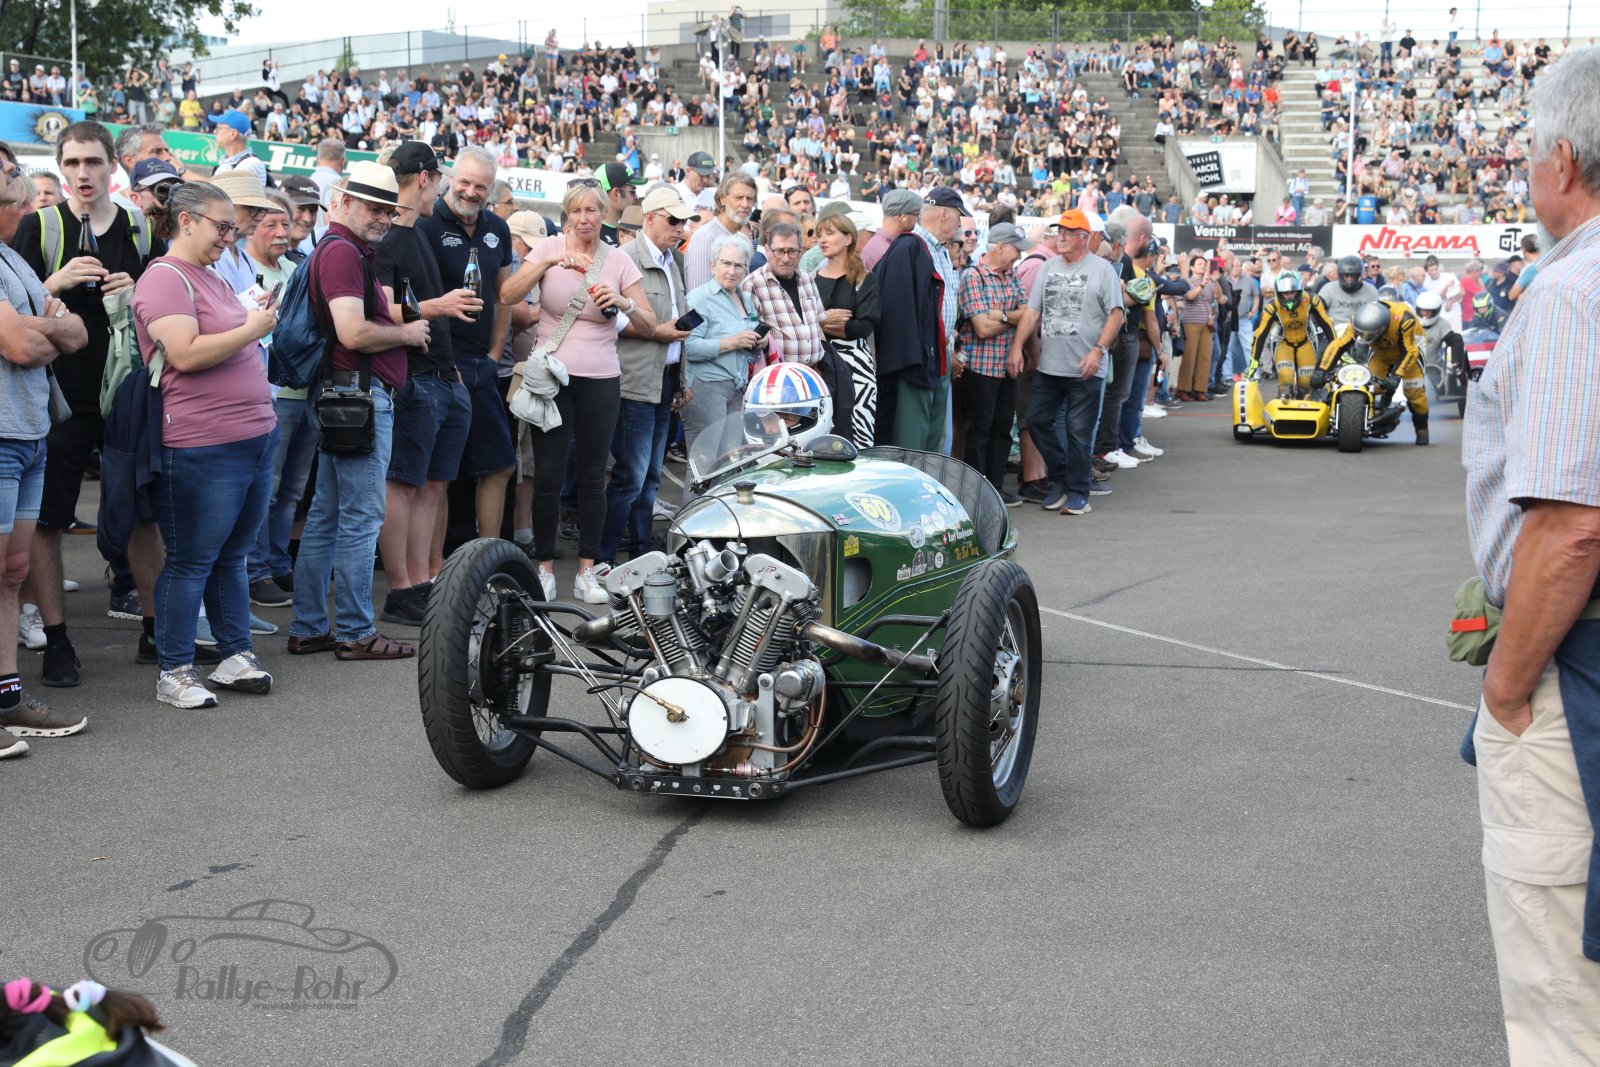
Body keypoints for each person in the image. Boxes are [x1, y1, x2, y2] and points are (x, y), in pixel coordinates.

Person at [1462, 46, 1600, 1061]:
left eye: (1527, 156)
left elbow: (1572, 525)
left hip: (1574, 662)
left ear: (1563, 161)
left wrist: (1506, 687)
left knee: (1562, 993)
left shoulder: (1571, 293)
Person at [15, 121, 164, 688]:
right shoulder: (39, 226)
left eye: (93, 162)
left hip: (126, 391)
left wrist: (137, 291)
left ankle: (155, 630)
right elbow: (13, 309)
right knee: (48, 519)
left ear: (112, 166)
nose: (83, 173)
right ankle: (57, 640)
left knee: (143, 514)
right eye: (73, 163)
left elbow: (167, 302)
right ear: (60, 166)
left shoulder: (137, 226)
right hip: (60, 397)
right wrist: (54, 283)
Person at [132, 181, 279, 708]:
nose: (229, 237)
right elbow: (186, 354)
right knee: (192, 559)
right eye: (222, 226)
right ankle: (174, 670)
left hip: (251, 435)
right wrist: (252, 327)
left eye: (232, 228)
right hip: (201, 442)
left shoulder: (209, 275)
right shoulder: (164, 278)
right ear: (186, 220)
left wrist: (248, 318)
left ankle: (235, 654)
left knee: (232, 556)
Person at [286, 161, 430, 661]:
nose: (384, 218)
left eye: (389, 210)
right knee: (360, 517)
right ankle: (354, 630)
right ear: (344, 202)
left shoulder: (343, 248)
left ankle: (311, 626)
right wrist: (407, 332)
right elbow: (352, 332)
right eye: (375, 207)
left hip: (348, 394)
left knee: (329, 516)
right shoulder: (343, 251)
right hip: (356, 396)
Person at [499, 181, 657, 604]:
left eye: (591, 211)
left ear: (604, 213)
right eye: (576, 211)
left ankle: (588, 570)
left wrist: (622, 302)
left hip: (601, 378)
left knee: (592, 476)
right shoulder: (548, 247)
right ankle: (544, 568)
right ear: (567, 214)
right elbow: (507, 295)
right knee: (548, 475)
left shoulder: (618, 259)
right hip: (552, 378)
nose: (584, 219)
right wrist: (548, 261)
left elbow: (649, 323)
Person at [0, 170, 89, 745]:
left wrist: (35, 325)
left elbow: (77, 334)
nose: (27, 205)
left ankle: (6, 696)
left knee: (12, 573)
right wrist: (44, 325)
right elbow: (20, 346)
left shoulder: (13, 259)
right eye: (15, 193)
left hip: (31, 434)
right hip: (3, 435)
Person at [371, 141, 475, 626]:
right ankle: (401, 588)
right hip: (413, 378)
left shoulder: (418, 234)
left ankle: (420, 582)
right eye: (441, 180)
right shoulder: (388, 239)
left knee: (432, 486)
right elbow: (380, 309)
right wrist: (439, 306)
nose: (444, 190)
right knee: (405, 486)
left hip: (444, 376)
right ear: (423, 179)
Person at [415, 146, 516, 547]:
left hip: (482, 365)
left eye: (481, 187)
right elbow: (413, 299)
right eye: (465, 183)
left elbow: (504, 296)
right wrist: (440, 359)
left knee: (499, 465)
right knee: (438, 475)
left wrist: (495, 353)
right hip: (438, 365)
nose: (471, 192)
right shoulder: (425, 224)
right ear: (449, 179)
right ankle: (436, 567)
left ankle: (487, 559)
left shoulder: (498, 228)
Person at [598, 186, 696, 567]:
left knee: (650, 475)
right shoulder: (624, 257)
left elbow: (675, 323)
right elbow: (610, 319)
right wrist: (659, 333)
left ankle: (640, 550)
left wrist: (681, 380)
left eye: (683, 221)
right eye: (674, 220)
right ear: (650, 218)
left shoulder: (673, 260)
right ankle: (604, 557)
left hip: (663, 378)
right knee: (633, 476)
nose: (680, 228)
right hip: (636, 381)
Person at [1007, 209, 1123, 517]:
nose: (1061, 237)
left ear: (1084, 238)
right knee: (1036, 420)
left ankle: (1078, 493)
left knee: (1078, 433)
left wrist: (1098, 350)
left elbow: (1116, 315)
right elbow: (1032, 312)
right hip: (1050, 367)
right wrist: (1017, 347)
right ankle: (1062, 477)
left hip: (1086, 369)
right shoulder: (1048, 267)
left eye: (1068, 233)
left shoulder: (1102, 270)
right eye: (1059, 231)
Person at [873, 187, 965, 450]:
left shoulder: (940, 251)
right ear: (944, 214)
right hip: (917, 360)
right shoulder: (909, 246)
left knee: (932, 442)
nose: (960, 224)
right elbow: (896, 312)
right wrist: (915, 360)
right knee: (912, 442)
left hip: (937, 354)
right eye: (958, 216)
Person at [956, 221, 1030, 500]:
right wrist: (1013, 317)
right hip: (981, 368)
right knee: (980, 431)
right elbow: (982, 328)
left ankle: (996, 490)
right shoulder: (973, 276)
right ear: (1000, 247)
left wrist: (1001, 315)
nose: (1019, 256)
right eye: (1016, 249)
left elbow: (1028, 313)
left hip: (1006, 366)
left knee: (1001, 430)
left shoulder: (1011, 273)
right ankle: (978, 493)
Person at [681, 233, 762, 480]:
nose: (732, 271)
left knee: (729, 463)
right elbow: (688, 347)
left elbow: (748, 342)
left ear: (746, 269)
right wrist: (732, 343)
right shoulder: (699, 298)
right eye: (726, 263)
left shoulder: (745, 299)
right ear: (712, 265)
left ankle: (719, 506)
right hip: (706, 387)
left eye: (738, 265)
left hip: (737, 388)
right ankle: (694, 507)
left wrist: (759, 341)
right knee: (703, 464)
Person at [1314, 298, 1430, 444]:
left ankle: (1422, 429)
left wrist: (1395, 376)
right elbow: (1339, 344)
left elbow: (1410, 351)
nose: (1365, 337)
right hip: (1380, 353)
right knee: (1369, 385)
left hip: (1411, 352)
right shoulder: (1356, 319)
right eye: (1363, 334)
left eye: (1369, 334)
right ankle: (1367, 416)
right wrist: (1322, 370)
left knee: (1414, 393)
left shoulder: (1404, 319)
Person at [812, 210, 881, 448]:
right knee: (821, 433)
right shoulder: (810, 279)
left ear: (848, 238)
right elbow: (805, 322)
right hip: (820, 364)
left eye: (829, 233)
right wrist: (823, 320)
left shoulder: (865, 279)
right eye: (819, 234)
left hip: (856, 366)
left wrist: (820, 324)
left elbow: (863, 327)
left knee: (858, 436)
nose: (822, 240)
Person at [1250, 273, 1334, 397]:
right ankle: (1282, 399)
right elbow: (1260, 335)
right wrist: (1253, 362)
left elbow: (1327, 324)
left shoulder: (1311, 299)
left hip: (1306, 341)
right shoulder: (1271, 306)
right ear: (1278, 293)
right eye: (1285, 293)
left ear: (1299, 291)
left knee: (1306, 382)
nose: (1289, 297)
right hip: (1283, 343)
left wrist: (1337, 349)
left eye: (1292, 292)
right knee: (1286, 379)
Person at [683, 172, 757, 291]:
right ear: (722, 199)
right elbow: (698, 296)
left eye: (749, 199)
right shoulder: (705, 237)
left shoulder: (738, 237)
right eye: (738, 198)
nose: (745, 204)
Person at [1173, 253, 1218, 402]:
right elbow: (1190, 296)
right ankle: (1183, 389)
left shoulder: (1209, 281)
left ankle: (1200, 389)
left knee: (1205, 357)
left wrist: (1215, 281)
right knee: (1189, 357)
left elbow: (1218, 297)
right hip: (1190, 323)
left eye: (1204, 264)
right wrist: (1202, 285)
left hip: (1206, 324)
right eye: (1199, 264)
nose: (1203, 266)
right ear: (1191, 267)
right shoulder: (1187, 281)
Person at [862, 189, 921, 270]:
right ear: (903, 217)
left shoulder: (876, 242)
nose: (917, 219)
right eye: (917, 215)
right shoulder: (890, 252)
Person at [1318, 253, 1379, 331]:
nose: (1349, 279)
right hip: (1332, 332)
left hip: (1361, 332)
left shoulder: (1371, 291)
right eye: (1346, 276)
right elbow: (1317, 311)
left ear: (1359, 275)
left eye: (1353, 276)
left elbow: (1376, 316)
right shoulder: (1329, 289)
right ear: (1340, 275)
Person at [596, 162, 645, 246]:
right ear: (615, 194)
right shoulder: (593, 237)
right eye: (633, 192)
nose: (636, 197)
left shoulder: (634, 229)